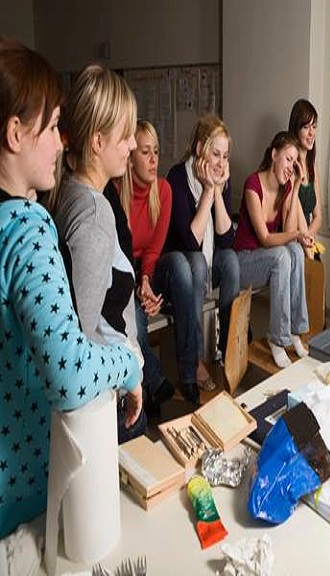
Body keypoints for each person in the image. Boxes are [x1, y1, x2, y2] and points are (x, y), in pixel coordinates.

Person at [0, 38, 140, 570]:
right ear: (16, 133)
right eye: (53, 126)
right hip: (23, 498)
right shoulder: (27, 229)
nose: (62, 142)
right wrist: (129, 363)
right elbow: (71, 370)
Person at [47, 64, 146, 443]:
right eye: (126, 136)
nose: (132, 145)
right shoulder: (93, 213)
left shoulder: (71, 190)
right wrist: (128, 374)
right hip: (107, 399)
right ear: (98, 141)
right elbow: (80, 339)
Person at [165, 115, 240, 403]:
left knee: (230, 259)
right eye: (215, 154)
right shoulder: (177, 177)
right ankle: (194, 359)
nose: (221, 163)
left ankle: (228, 349)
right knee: (196, 261)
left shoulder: (222, 180)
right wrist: (209, 190)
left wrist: (218, 190)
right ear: (199, 149)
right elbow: (190, 242)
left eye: (225, 156)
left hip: (208, 264)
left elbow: (226, 240)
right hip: (182, 272)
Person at [234, 131, 312, 369]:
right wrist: (297, 234)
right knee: (282, 254)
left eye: (294, 162)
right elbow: (266, 238)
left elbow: (287, 231)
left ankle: (294, 331)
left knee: (295, 251)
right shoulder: (252, 185)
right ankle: (277, 338)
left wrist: (295, 187)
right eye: (288, 159)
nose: (290, 167)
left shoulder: (285, 188)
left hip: (268, 260)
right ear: (274, 154)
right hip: (243, 261)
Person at [117, 120, 175, 417]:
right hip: (120, 268)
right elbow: (119, 255)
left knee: (178, 268)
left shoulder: (163, 191)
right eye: (145, 152)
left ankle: (154, 383)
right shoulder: (116, 192)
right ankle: (152, 381)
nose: (153, 160)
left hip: (146, 267)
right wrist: (138, 285)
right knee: (136, 320)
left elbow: (153, 249)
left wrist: (147, 281)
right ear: (130, 158)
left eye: (156, 152)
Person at [288, 98, 322, 259]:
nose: (311, 133)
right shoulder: (289, 167)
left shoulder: (312, 167)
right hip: (291, 242)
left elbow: (318, 217)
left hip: (307, 239)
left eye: (314, 127)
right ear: (296, 129)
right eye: (306, 127)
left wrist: (307, 236)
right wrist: (304, 240)